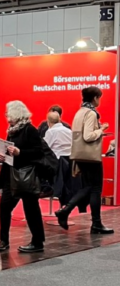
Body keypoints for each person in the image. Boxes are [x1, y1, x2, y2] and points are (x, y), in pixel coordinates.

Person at [55, 86, 114, 234]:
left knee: (88, 187)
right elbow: (88, 136)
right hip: (91, 157)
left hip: (80, 155)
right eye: (99, 97)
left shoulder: (80, 112)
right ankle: (93, 222)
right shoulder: (91, 113)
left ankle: (67, 211)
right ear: (95, 98)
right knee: (95, 189)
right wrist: (101, 130)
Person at [0, 101, 46, 253]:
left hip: (25, 176)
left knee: (31, 208)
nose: (6, 116)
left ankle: (37, 241)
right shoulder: (12, 130)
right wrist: (1, 156)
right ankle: (3, 240)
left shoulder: (30, 130)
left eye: (8, 112)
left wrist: (20, 152)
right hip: (11, 176)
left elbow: (38, 152)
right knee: (4, 207)